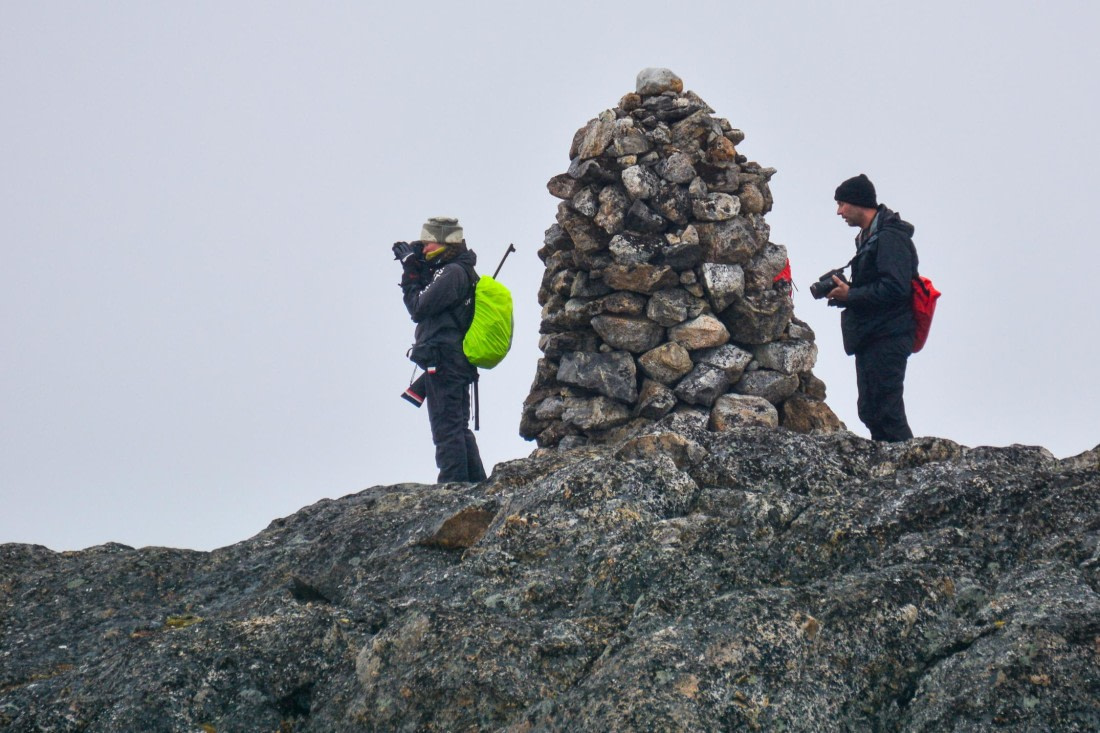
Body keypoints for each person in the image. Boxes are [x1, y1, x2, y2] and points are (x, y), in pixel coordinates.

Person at [392, 216, 487, 482]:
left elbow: (418, 307)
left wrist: (411, 270)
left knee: (447, 429)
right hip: (451, 359)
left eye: (429, 243)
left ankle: (453, 490)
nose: (424, 248)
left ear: (447, 243)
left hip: (445, 359)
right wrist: (419, 266)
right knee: (457, 426)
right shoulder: (453, 270)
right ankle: (476, 488)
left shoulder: (453, 272)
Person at [824, 174, 918, 442]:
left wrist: (851, 294)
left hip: (889, 334)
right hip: (872, 334)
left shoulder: (890, 237)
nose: (839, 211)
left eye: (842, 203)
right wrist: (846, 293)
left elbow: (896, 288)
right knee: (870, 409)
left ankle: (907, 468)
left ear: (859, 202)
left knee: (886, 410)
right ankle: (890, 469)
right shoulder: (869, 237)